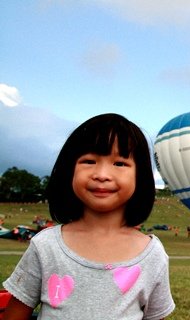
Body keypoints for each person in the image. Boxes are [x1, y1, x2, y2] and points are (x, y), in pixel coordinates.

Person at [3, 113, 175, 320]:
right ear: (69, 170)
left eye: (120, 163)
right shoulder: (45, 245)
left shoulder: (152, 254)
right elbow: (15, 315)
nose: (102, 174)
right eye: (89, 161)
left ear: (140, 176)